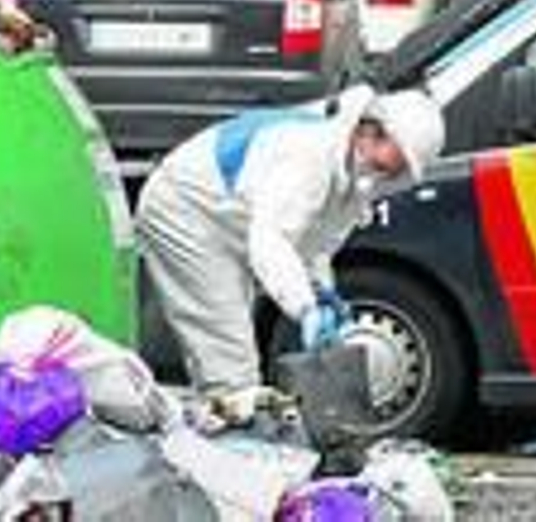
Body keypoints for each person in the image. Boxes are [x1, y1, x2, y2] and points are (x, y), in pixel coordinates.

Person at [137, 86, 446, 424]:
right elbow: (270, 240)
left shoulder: (352, 170)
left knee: (227, 350)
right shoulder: (310, 155)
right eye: (394, 160)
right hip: (186, 212)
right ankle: (230, 443)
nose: (392, 171)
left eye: (400, 168)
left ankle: (215, 432)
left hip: (225, 221)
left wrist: (321, 291)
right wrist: (305, 307)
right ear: (372, 130)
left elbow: (314, 245)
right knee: (230, 363)